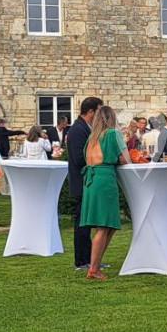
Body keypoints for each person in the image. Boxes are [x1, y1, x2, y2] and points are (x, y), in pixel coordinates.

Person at [79, 105, 129, 280]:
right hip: (104, 178)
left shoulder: (92, 138)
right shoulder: (112, 134)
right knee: (104, 225)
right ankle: (93, 268)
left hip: (91, 180)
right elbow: (125, 159)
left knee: (109, 225)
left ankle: (95, 263)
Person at [67, 97, 103, 271]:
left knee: (87, 223)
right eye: (98, 112)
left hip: (87, 181)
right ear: (91, 112)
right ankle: (81, 261)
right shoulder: (77, 130)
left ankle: (91, 259)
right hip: (81, 181)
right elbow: (78, 158)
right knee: (82, 223)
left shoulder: (86, 128)